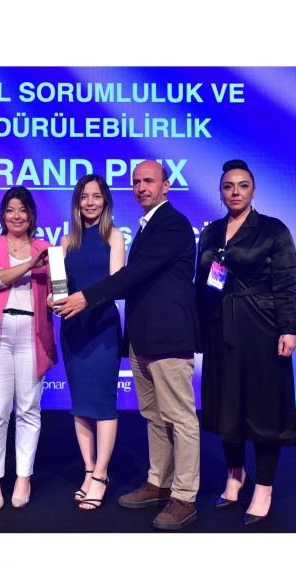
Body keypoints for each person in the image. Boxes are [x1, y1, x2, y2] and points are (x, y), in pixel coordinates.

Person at [54, 160, 201, 531]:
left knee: (180, 418)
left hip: (168, 336)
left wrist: (86, 297)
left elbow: (133, 275)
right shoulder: (146, 226)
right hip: (141, 337)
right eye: (136, 182)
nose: (141, 187)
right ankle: (159, 482)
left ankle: (184, 496)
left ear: (166, 185)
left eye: (149, 181)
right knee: (153, 415)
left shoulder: (172, 224)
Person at [196, 159, 296, 526]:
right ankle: (235, 474)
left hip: (262, 328)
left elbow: (285, 283)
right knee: (225, 404)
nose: (235, 192)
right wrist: (201, 326)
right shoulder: (212, 232)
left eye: (243, 185)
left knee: (264, 409)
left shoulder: (273, 230)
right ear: (220, 191)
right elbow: (206, 284)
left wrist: (288, 329)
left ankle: (264, 486)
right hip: (220, 328)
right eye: (229, 186)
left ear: (253, 190)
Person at [0, 186, 56, 510]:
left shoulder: (46, 248)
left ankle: (23, 477)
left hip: (33, 333)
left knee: (29, 409)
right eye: (10, 210)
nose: (16, 216)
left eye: (23, 209)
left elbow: (56, 290)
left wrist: (60, 298)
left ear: (31, 214)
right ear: (2, 215)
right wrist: (31, 265)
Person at [53, 175, 125, 511]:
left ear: (105, 200)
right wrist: (55, 300)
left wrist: (84, 300)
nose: (90, 202)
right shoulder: (66, 241)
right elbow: (60, 288)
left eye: (96, 196)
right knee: (80, 403)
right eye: (84, 197)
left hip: (103, 328)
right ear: (77, 202)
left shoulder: (114, 236)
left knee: (103, 403)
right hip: (73, 329)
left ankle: (101, 474)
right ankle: (88, 470)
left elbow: (115, 285)